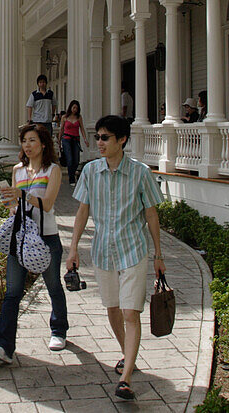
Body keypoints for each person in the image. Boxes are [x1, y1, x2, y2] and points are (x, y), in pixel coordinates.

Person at [67, 115, 166, 401]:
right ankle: (128, 355)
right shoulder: (90, 171)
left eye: (105, 137)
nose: (99, 142)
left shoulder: (140, 173)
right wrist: (73, 249)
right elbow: (83, 211)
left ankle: (125, 379)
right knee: (112, 309)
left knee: (129, 312)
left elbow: (151, 214)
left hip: (133, 250)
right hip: (102, 251)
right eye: (97, 137)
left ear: (121, 140)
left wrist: (159, 254)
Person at [0, 123, 68, 364]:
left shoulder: (52, 170)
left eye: (32, 140)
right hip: (20, 235)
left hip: (46, 236)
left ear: (43, 144)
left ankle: (59, 329)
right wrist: (10, 203)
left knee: (53, 285)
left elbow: (48, 204)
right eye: (24, 141)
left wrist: (23, 195)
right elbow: (15, 204)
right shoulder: (17, 170)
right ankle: (4, 346)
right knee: (12, 291)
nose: (27, 146)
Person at [59, 100, 84, 185]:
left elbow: (82, 128)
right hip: (66, 139)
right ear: (70, 107)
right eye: (73, 107)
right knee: (69, 159)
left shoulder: (79, 117)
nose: (75, 109)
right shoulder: (64, 117)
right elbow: (61, 129)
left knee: (76, 160)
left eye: (76, 108)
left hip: (76, 139)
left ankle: (73, 173)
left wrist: (85, 139)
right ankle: (71, 178)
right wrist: (59, 140)